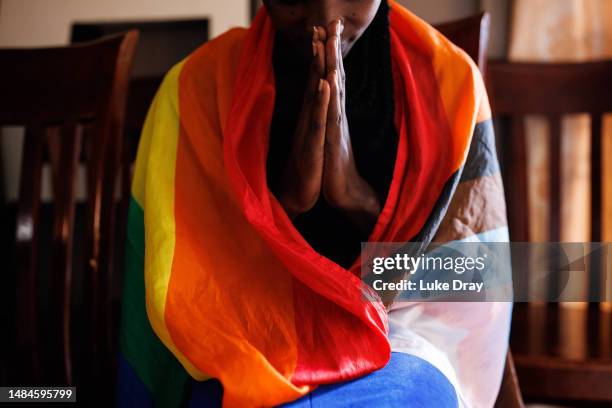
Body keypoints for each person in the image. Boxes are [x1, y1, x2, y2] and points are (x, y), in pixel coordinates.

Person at [117, 0, 511, 407]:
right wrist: (284, 205)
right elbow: (188, 286)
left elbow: (473, 278)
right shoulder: (194, 89)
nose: (326, 17)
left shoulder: (450, 83)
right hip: (245, 341)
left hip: (404, 343)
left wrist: (356, 198)